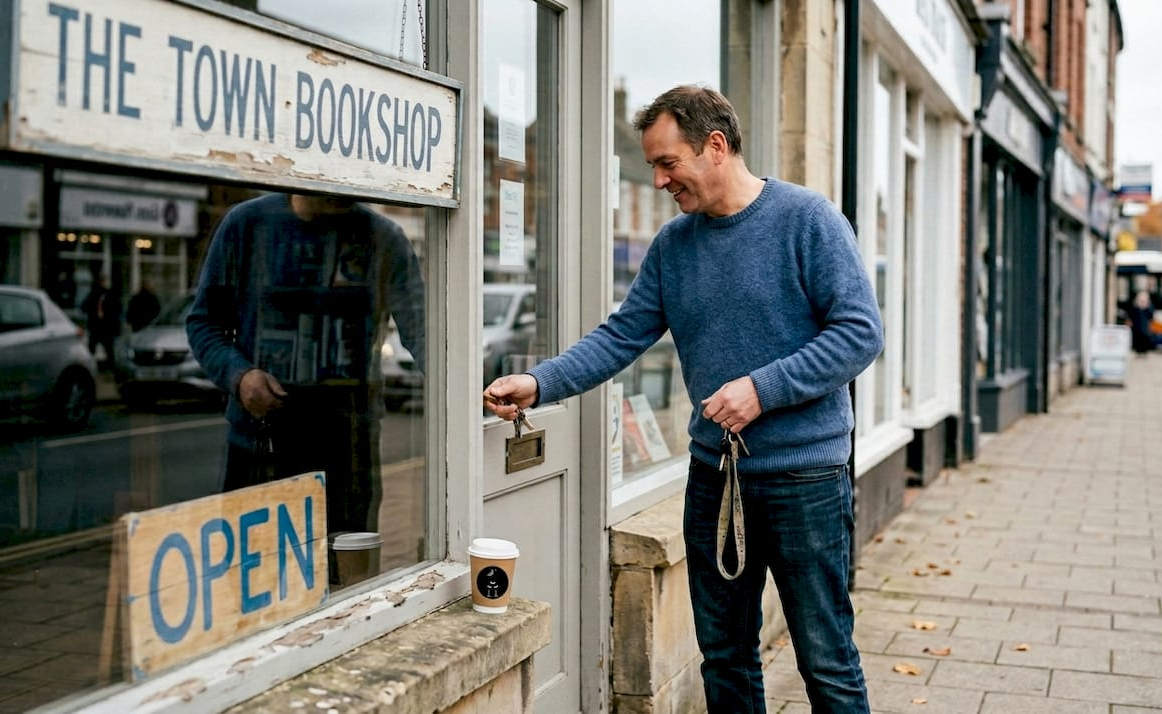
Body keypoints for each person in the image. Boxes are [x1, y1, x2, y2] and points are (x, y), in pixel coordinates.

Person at [484, 85, 883, 713]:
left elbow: (860, 333)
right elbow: (621, 335)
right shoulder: (674, 245)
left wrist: (761, 390)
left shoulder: (809, 220)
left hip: (804, 480)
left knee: (825, 659)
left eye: (668, 163)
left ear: (715, 146)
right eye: (653, 166)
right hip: (714, 478)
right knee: (724, 657)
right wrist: (540, 383)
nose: (660, 180)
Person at [186, 193, 425, 546]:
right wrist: (240, 376)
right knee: (257, 569)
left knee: (346, 568)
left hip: (348, 448)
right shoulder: (246, 224)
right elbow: (204, 322)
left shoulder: (384, 237)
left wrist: (472, 389)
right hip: (260, 444)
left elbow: (423, 332)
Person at [81, 274, 120, 368]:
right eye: (102, 281)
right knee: (92, 348)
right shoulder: (93, 294)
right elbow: (84, 307)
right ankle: (89, 366)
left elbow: (117, 309)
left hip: (106, 326)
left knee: (108, 348)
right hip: (96, 326)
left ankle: (110, 366)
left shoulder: (110, 295)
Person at [1127, 290, 1155, 355]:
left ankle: (1144, 351)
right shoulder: (1135, 306)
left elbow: (1151, 315)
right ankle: (1138, 351)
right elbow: (1131, 314)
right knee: (1137, 338)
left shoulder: (1149, 306)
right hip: (1136, 326)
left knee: (1145, 338)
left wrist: (1146, 307)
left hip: (1145, 326)